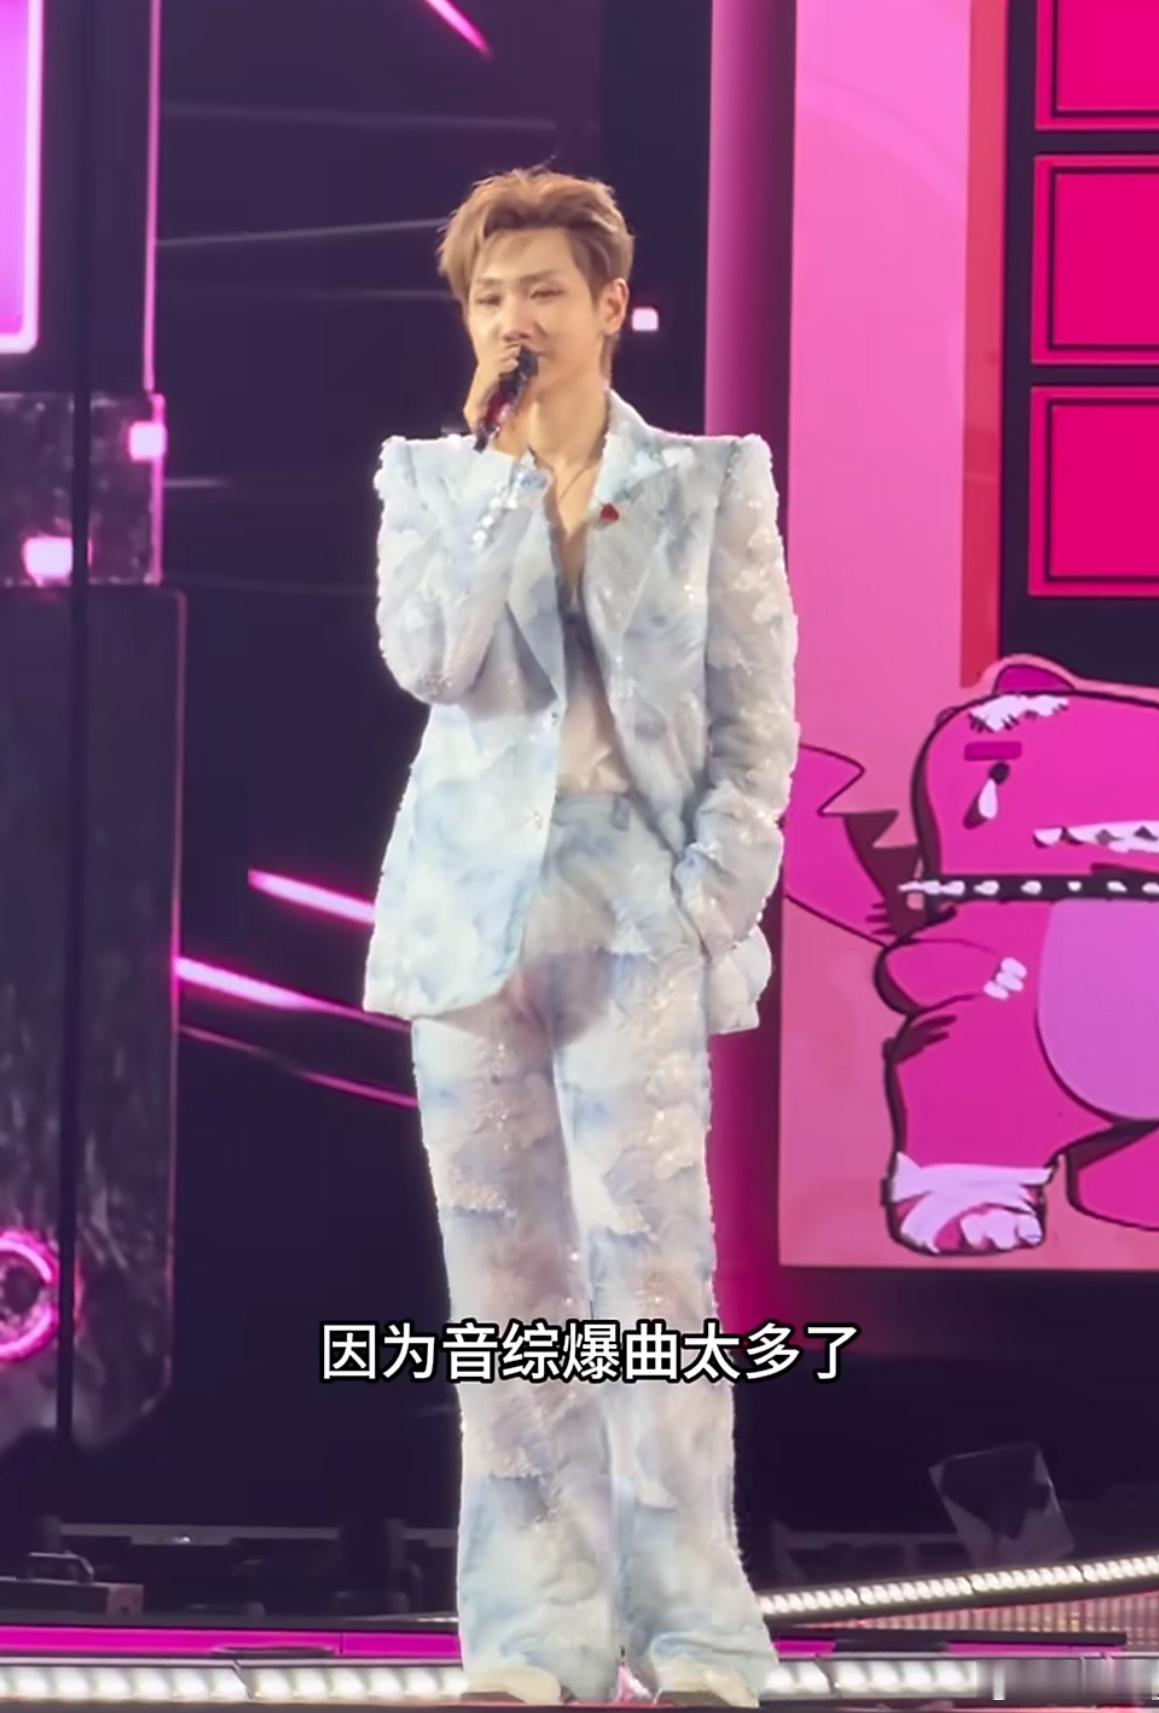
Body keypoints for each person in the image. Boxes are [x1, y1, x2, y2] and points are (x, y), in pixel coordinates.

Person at [362, 166, 799, 1708]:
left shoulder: (710, 482)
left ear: (610, 304)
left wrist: (707, 899)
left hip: (634, 904)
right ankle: (532, 1635)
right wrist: (494, 481)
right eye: (489, 297)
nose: (514, 319)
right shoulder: (432, 479)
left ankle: (690, 1632)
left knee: (653, 1278)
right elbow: (429, 657)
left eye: (542, 290)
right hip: (472, 922)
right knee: (507, 1288)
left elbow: (757, 719)